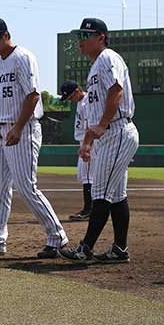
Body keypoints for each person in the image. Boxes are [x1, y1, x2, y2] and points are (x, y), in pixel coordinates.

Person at [0, 17, 69, 258]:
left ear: (5, 35)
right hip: (2, 130)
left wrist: (18, 128)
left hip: (22, 129)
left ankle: (57, 236)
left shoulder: (23, 57)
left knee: (26, 187)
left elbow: (33, 96)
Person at [60, 18, 139, 264]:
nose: (80, 41)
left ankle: (85, 249)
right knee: (115, 195)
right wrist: (88, 142)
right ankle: (119, 250)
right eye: (79, 37)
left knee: (101, 194)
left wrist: (103, 125)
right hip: (109, 134)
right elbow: (94, 113)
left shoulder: (107, 58)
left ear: (101, 37)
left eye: (86, 36)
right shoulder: (95, 66)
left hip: (116, 130)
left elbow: (116, 91)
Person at [59, 79, 92, 221]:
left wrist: (87, 144)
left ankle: (89, 210)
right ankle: (90, 209)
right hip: (85, 142)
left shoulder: (88, 102)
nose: (70, 100)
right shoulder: (81, 102)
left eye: (71, 96)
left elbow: (92, 124)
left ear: (78, 90)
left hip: (90, 142)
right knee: (85, 175)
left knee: (88, 176)